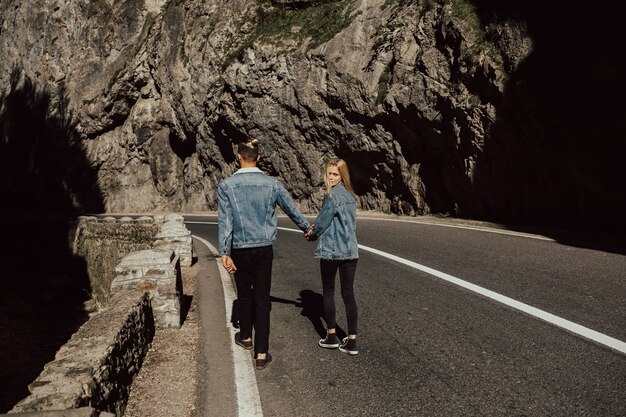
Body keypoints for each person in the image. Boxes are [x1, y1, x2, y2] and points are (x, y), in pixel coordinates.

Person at [218, 139, 311, 369]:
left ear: (238, 157)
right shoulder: (272, 184)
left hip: (240, 247)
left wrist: (225, 252)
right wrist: (306, 228)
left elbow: (226, 222)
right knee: (262, 298)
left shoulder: (226, 186)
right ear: (258, 158)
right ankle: (261, 353)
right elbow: (290, 208)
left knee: (245, 294)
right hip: (263, 248)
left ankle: (246, 337)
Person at [305, 158, 359, 355]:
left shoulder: (331, 196)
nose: (331, 177)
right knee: (348, 293)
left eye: (335, 174)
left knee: (328, 291)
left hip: (332, 251)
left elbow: (322, 222)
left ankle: (331, 336)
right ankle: (352, 340)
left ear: (342, 175)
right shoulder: (351, 197)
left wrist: (311, 234)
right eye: (329, 173)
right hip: (351, 251)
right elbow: (351, 226)